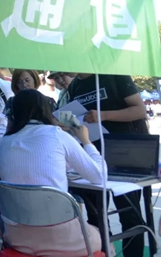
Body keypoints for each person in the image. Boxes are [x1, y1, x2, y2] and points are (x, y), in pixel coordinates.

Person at [0, 89, 104, 256]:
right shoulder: (57, 135)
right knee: (99, 236)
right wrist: (86, 141)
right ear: (46, 110)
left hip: (17, 237)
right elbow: (98, 176)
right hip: (61, 238)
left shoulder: (4, 142)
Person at [67, 74, 148, 257]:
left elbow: (140, 110)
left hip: (124, 155)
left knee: (129, 215)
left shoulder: (114, 75)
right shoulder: (74, 86)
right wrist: (67, 124)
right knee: (96, 216)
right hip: (93, 157)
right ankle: (105, 252)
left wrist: (103, 115)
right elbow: (77, 120)